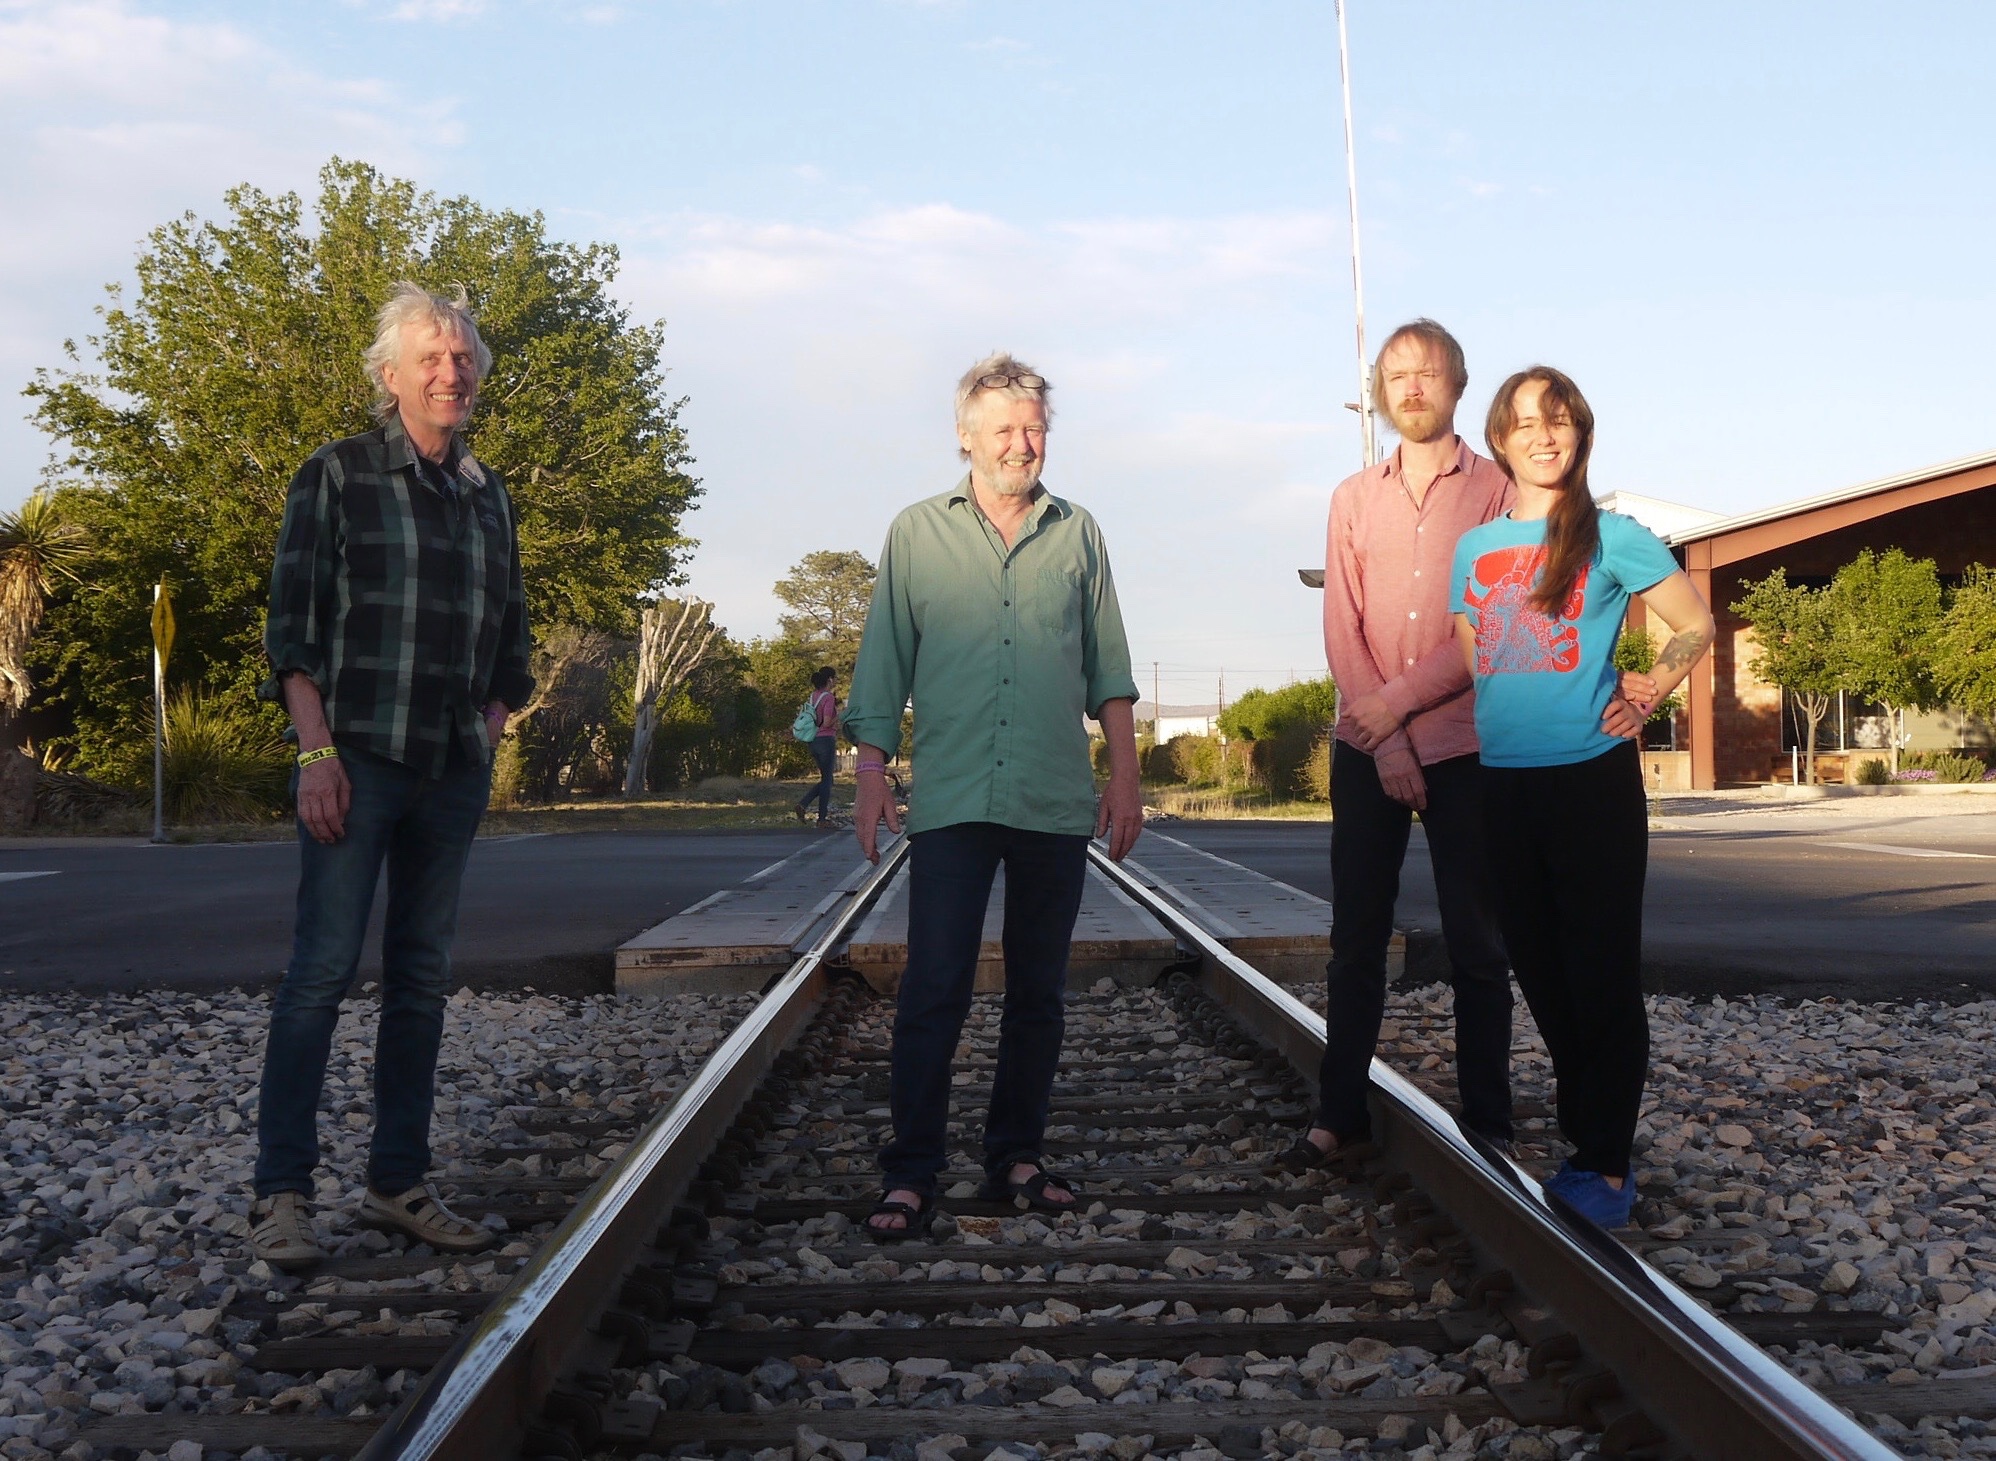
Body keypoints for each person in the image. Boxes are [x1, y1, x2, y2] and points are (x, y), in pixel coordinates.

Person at [248, 282, 534, 1270]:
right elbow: (292, 631)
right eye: (430, 358)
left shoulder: (488, 494)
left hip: (449, 769)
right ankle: (282, 1195)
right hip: (356, 760)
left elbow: (512, 636)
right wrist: (315, 754)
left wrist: (491, 723)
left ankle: (396, 1183)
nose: (450, 372)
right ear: (391, 375)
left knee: (420, 979)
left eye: (462, 358)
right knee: (320, 974)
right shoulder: (336, 475)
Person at [844, 352, 1142, 1241]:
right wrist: (870, 774)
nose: (1022, 443)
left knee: (1037, 992)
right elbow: (883, 660)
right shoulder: (915, 534)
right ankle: (912, 1170)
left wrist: (1125, 775)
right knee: (933, 985)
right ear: (966, 437)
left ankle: (1017, 1153)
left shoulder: (1079, 532)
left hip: (1053, 794)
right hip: (954, 796)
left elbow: (1109, 667)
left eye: (1034, 427)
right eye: (1005, 428)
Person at [1450, 366, 1713, 1228]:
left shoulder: (1613, 535)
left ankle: (1604, 1160)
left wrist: (1650, 691)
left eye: (1558, 419)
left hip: (1591, 781)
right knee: (1539, 967)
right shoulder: (1474, 551)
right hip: (1504, 784)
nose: (1543, 435)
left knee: (1600, 972)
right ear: (1501, 439)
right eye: (1526, 422)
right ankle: (1586, 1136)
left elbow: (1696, 622)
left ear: (1580, 433)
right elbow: (1477, 655)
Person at [1273, 319, 1521, 1173]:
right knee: (1356, 938)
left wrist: (1398, 711)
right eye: (1396, 374)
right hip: (1365, 748)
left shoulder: (1499, 492)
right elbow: (1341, 623)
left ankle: (1490, 1123)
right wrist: (1382, 739)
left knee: (1478, 942)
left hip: (1466, 747)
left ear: (1458, 384)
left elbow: (1490, 622)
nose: (1412, 387)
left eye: (1428, 372)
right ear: (1379, 392)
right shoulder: (1352, 497)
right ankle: (1338, 1112)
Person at [793, 666, 840, 826]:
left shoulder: (813, 696)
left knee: (827, 779)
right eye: (835, 678)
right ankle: (821, 818)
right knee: (827, 780)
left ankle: (803, 804)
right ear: (830, 680)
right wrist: (841, 714)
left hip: (813, 740)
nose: (836, 681)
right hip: (826, 740)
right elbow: (826, 722)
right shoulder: (829, 698)